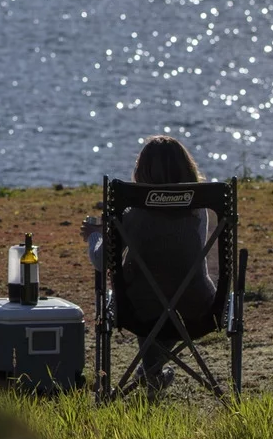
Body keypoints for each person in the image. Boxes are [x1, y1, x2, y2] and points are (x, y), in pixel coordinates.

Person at [81, 135, 218, 343]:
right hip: (198, 307)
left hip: (139, 312)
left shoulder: (134, 213)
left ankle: (150, 373)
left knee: (149, 291)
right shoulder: (198, 209)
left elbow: (102, 260)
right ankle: (151, 373)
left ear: (142, 171)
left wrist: (95, 235)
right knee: (169, 293)